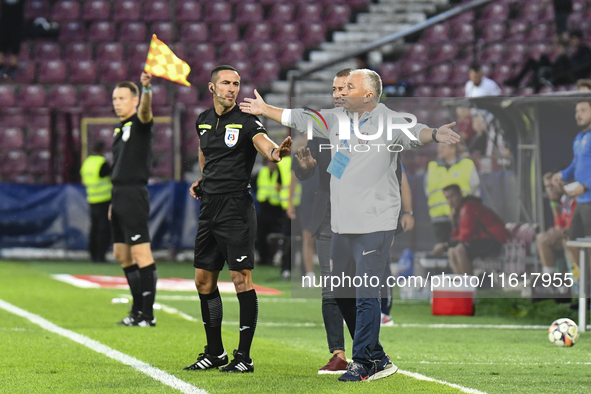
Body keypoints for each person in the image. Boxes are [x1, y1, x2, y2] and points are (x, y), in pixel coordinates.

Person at [242, 68, 460, 382]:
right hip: (343, 222)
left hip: (376, 220)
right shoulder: (338, 122)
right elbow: (303, 120)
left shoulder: (390, 120)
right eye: (340, 87)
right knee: (339, 291)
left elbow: (420, 132)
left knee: (365, 290)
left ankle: (361, 363)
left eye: (349, 87)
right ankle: (377, 356)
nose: (341, 92)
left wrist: (437, 133)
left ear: (369, 94)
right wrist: (266, 111)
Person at [184, 65, 291, 373]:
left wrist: (275, 152)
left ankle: (244, 356)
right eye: (227, 83)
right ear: (212, 88)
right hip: (209, 208)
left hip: (236, 209)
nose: (232, 88)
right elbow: (206, 155)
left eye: (236, 84)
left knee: (240, 279)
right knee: (203, 281)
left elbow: (263, 143)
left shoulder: (246, 121)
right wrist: (204, 180)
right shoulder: (203, 121)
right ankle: (215, 352)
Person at [109, 72, 158, 327]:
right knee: (122, 255)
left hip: (134, 194)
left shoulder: (140, 122)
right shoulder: (120, 128)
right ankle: (136, 309)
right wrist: (112, 201)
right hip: (118, 195)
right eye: (115, 98)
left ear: (135, 100)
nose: (117, 102)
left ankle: (147, 314)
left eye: (122, 98)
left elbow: (146, 112)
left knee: (141, 254)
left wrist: (147, 89)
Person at [432, 184, 509, 275]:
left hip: (495, 240)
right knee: (452, 251)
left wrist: (444, 246)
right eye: (447, 198)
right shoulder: (459, 211)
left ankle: (469, 285)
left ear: (460, 195)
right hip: (482, 240)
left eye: (453, 196)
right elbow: (458, 236)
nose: (450, 201)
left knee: (460, 250)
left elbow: (465, 236)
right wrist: (453, 224)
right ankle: (461, 284)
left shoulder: (468, 207)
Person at [552, 100, 591, 267]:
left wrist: (586, 186)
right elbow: (575, 164)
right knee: (572, 242)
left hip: (589, 199)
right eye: (576, 111)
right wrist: (561, 175)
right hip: (580, 202)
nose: (578, 114)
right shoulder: (579, 138)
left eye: (583, 110)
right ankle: (582, 283)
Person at [425, 143, 480, 244]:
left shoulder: (467, 165)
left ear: (453, 149)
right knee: (443, 250)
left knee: (460, 249)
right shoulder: (432, 166)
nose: (439, 150)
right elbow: (427, 190)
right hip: (439, 218)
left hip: (462, 217)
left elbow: (475, 191)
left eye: (443, 147)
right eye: (438, 147)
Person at [380, 163, 414, 326]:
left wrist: (407, 212)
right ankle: (351, 309)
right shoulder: (350, 147)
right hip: (356, 212)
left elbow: (403, 180)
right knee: (353, 262)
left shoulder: (388, 147)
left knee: (381, 262)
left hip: (382, 214)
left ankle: (383, 312)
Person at [537, 172, 577, 275]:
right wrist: (553, 203)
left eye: (552, 185)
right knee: (541, 238)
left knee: (567, 241)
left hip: (575, 234)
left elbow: (573, 224)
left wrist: (558, 232)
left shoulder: (574, 197)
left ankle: (578, 279)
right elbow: (559, 224)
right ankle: (549, 278)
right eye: (547, 186)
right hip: (567, 232)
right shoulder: (562, 199)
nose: (551, 189)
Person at [80, 140, 112, 263]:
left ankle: (92, 254)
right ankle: (100, 255)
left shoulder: (87, 162)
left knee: (94, 228)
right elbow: (110, 177)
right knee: (104, 229)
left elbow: (84, 180)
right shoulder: (102, 163)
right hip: (104, 199)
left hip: (91, 198)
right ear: (103, 150)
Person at [504, 38, 573, 91]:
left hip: (555, 77)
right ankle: (517, 81)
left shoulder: (565, 57)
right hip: (551, 71)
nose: (558, 49)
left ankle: (533, 83)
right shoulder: (560, 56)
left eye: (560, 47)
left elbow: (562, 71)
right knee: (537, 60)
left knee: (542, 69)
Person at [255, 161, 283, 266]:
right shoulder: (262, 172)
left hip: (275, 207)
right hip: (263, 206)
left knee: (274, 233)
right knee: (262, 233)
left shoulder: (279, 172)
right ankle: (263, 257)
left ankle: (272, 257)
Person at [0, 0, 25, 79]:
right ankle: (1, 67)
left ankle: (13, 68)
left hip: (17, 19)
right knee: (2, 44)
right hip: (5, 19)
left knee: (15, 45)